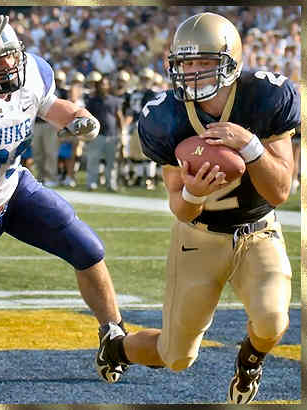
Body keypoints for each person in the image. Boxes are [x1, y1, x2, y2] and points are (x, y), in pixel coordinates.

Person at [95, 12, 300, 404]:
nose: (192, 73)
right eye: (185, 63)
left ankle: (250, 360)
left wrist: (251, 147)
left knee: (274, 319)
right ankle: (117, 346)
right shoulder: (165, 116)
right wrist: (192, 194)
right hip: (199, 237)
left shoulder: (266, 96)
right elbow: (180, 208)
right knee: (176, 357)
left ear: (231, 59)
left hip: (258, 231)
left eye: (204, 62)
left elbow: (279, 192)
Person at [0, 16, 127, 379]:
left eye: (9, 54)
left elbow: (51, 106)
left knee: (86, 247)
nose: (7, 65)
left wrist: (78, 117)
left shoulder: (33, 69)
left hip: (16, 188)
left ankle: (112, 332)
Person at [84, 75, 123, 192]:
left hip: (112, 135)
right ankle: (91, 183)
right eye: (101, 84)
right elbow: (87, 117)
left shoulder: (115, 100)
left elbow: (119, 117)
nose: (103, 86)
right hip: (96, 135)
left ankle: (111, 184)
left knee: (112, 163)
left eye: (105, 84)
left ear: (108, 86)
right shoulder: (92, 100)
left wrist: (122, 133)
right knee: (93, 160)